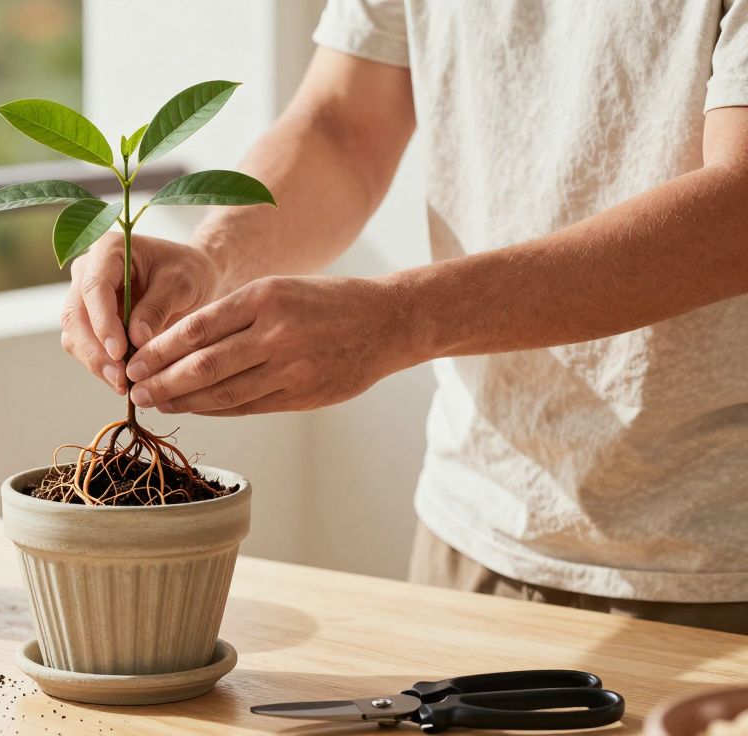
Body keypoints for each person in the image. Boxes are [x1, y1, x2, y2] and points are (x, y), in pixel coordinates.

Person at [59, 1, 748, 633]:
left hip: (713, 561)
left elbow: (738, 207)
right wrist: (210, 257)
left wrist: (403, 319)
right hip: (471, 530)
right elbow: (342, 126)